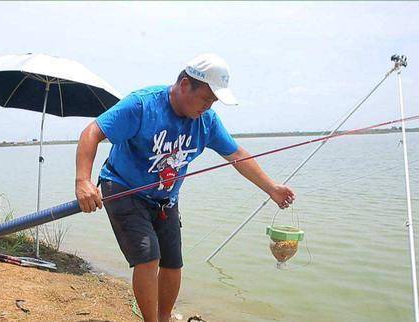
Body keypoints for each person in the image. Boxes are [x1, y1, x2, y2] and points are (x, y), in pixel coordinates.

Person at [75, 53, 295, 322]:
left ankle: (164, 317)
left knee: (173, 264)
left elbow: (237, 155)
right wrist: (83, 181)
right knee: (148, 258)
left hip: (166, 198)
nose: (208, 106)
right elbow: (92, 132)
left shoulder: (207, 122)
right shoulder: (142, 105)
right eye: (206, 98)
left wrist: (271, 188)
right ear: (183, 84)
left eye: (213, 101)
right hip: (123, 188)